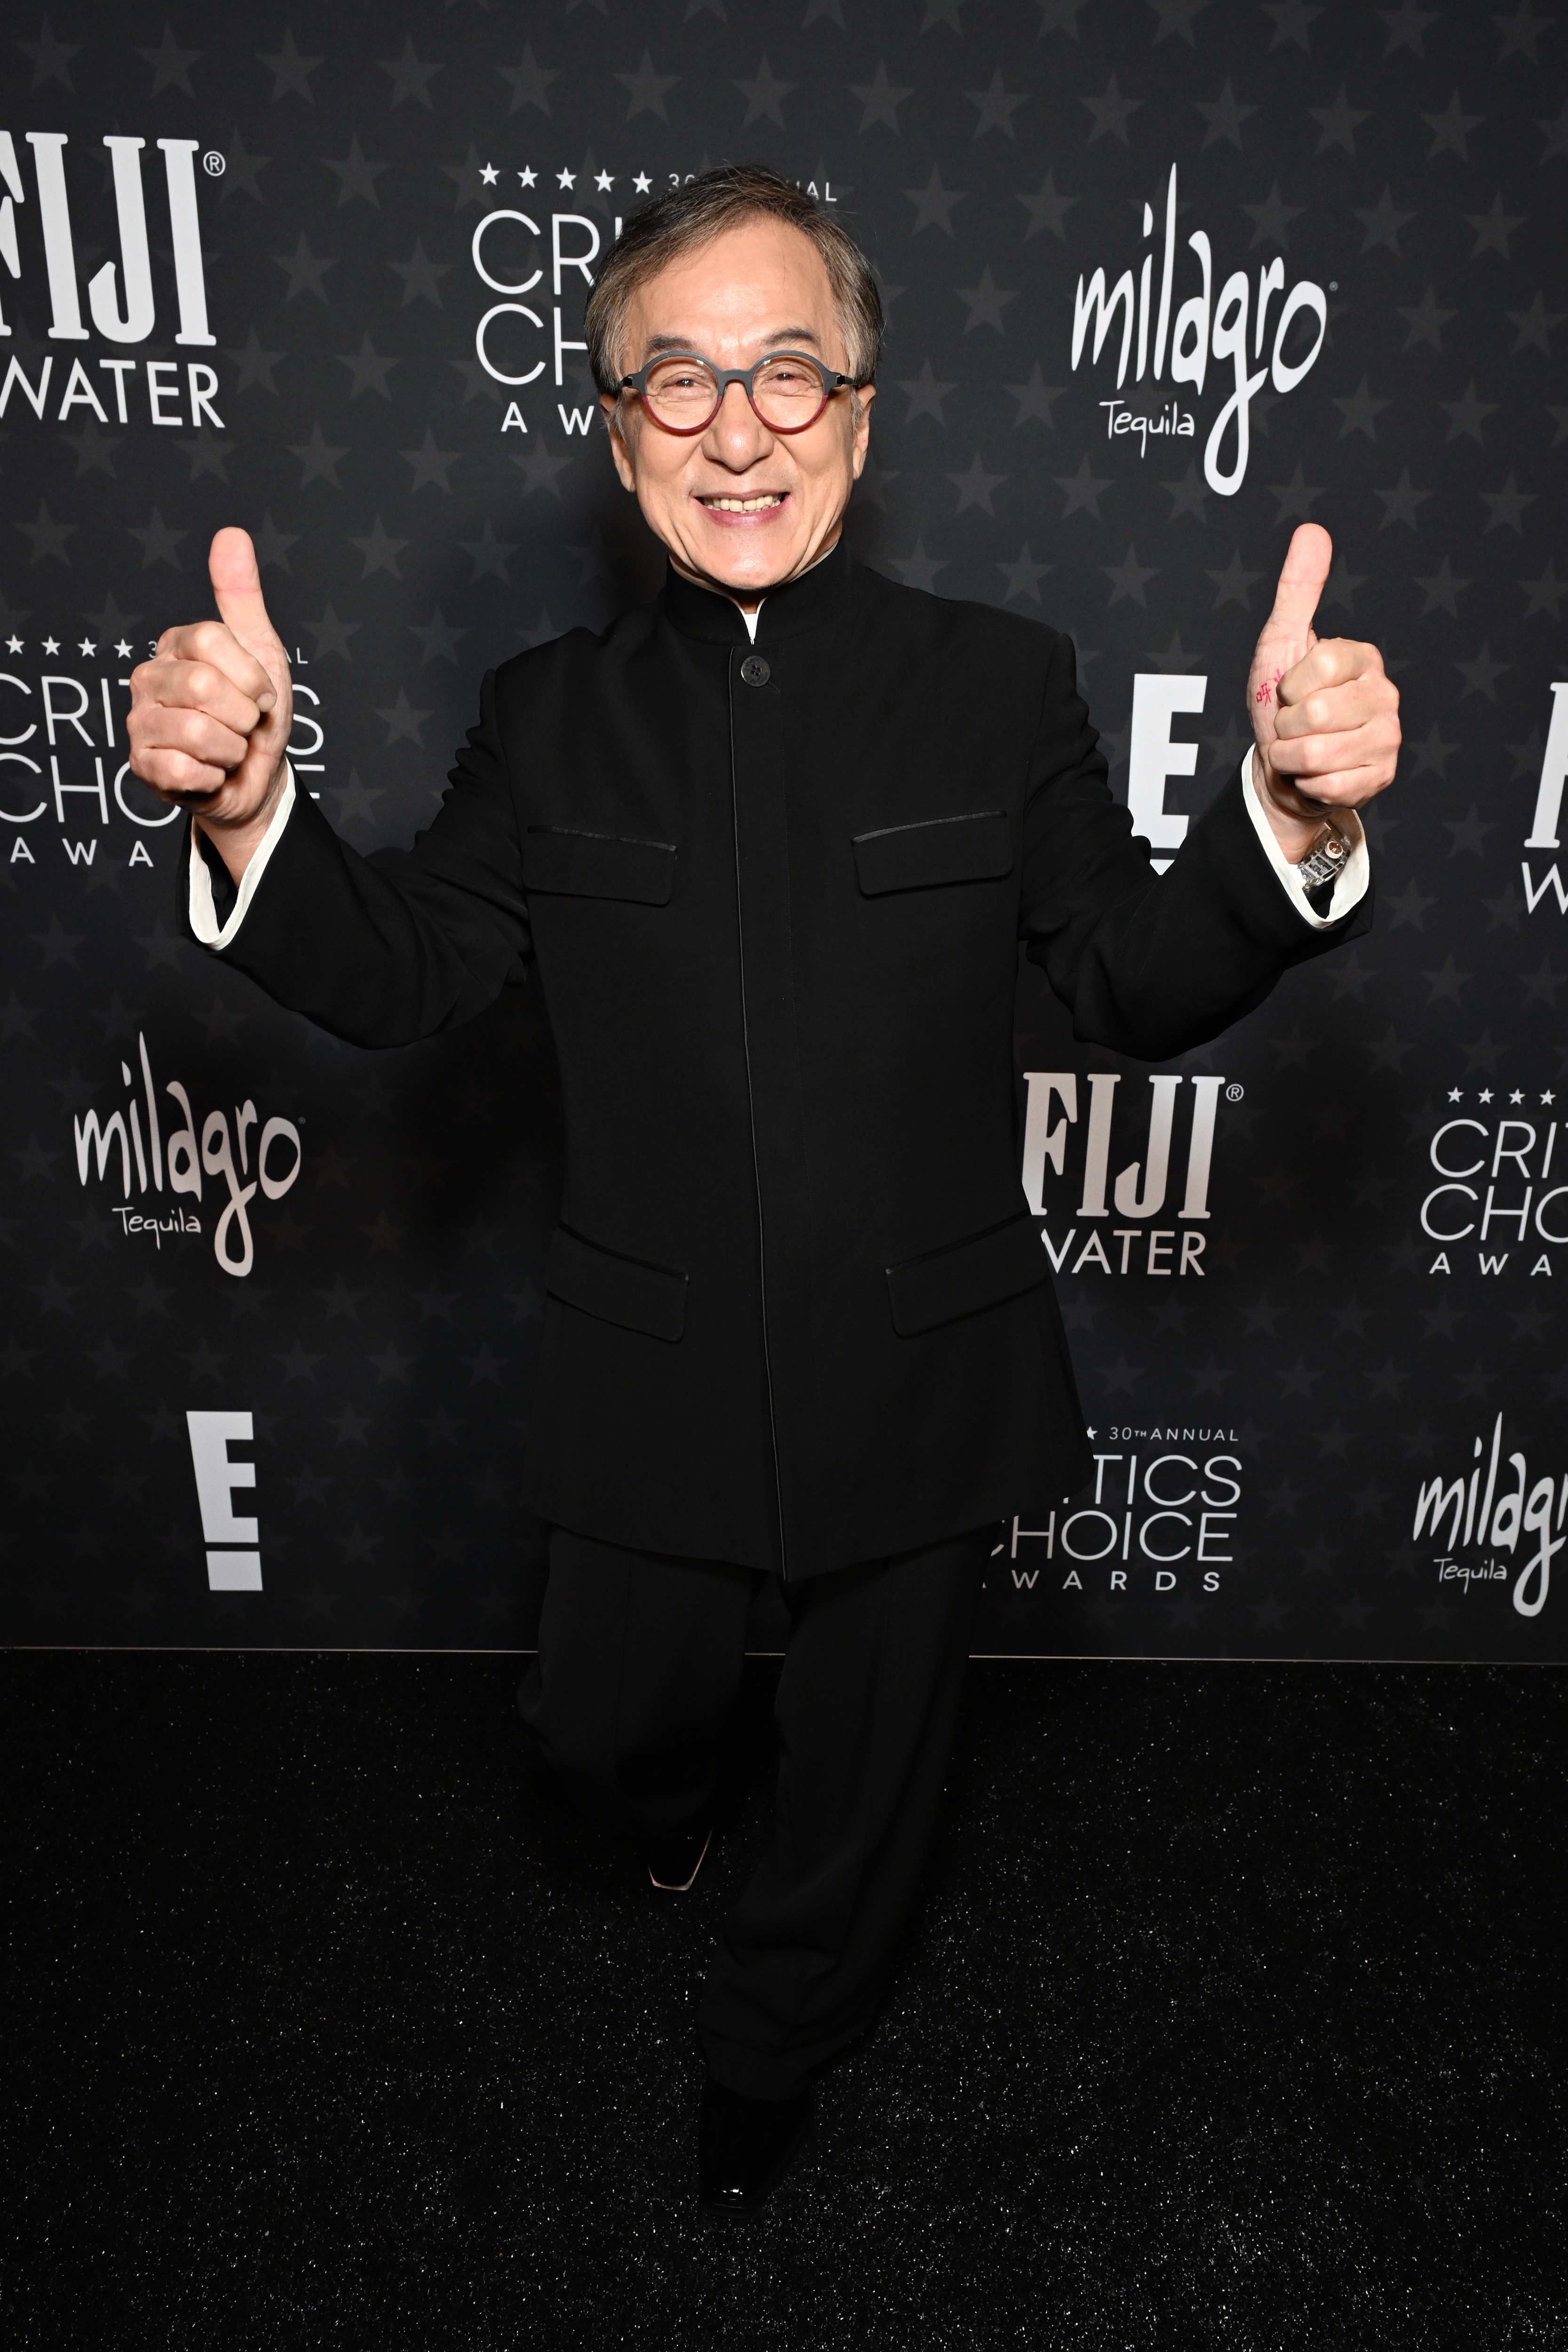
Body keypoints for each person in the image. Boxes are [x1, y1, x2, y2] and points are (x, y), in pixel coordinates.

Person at [127, 166, 1400, 2214]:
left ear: (867, 415)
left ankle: (773, 2033)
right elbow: (413, 968)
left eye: (791, 371)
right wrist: (259, 811)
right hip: (646, 1369)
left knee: (876, 1779)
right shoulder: (544, 717)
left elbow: (1129, 972)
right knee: (598, 1741)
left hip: (922, 1357)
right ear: (619, 435)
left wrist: (1289, 819)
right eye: (681, 381)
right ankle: (659, 1809)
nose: (741, 424)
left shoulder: (1001, 682)